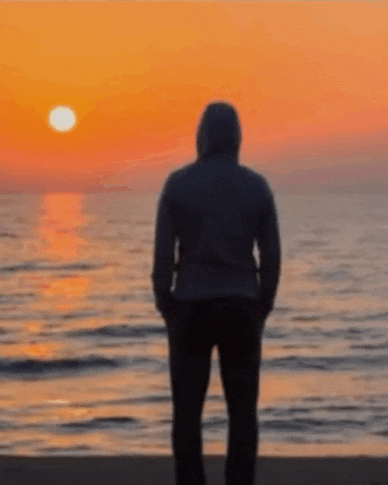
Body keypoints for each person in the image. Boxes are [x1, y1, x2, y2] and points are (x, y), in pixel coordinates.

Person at [152, 102, 281, 485]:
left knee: (187, 413)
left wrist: (164, 300)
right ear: (237, 136)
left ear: (201, 136)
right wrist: (264, 303)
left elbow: (163, 254)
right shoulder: (255, 186)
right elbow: (271, 254)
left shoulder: (178, 184)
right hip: (241, 305)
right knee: (243, 413)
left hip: (191, 306)